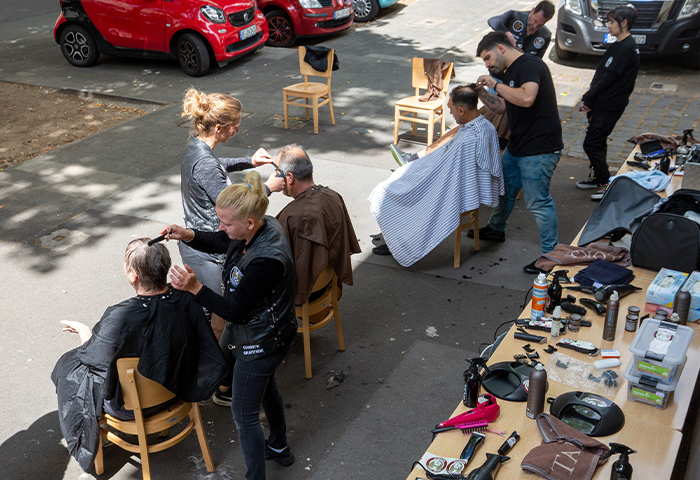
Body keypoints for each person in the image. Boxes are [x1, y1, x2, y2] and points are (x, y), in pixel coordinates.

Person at [51, 239, 229, 472]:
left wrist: (85, 332)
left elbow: (92, 360)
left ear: (133, 275)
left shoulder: (119, 316)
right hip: (181, 388)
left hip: (133, 407)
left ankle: (93, 435)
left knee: (69, 367)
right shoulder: (186, 299)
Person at [164, 171, 297, 480]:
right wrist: (189, 235)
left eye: (226, 221)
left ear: (249, 222)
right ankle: (279, 447)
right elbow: (224, 239)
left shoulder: (266, 261)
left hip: (262, 341)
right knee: (266, 390)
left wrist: (196, 288)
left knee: (243, 415)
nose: (221, 227)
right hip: (262, 333)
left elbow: (235, 311)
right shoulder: (260, 226)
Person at [180, 88, 285, 339]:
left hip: (199, 239)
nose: (237, 131)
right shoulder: (205, 163)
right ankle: (212, 364)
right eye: (234, 127)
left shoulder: (196, 146)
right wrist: (268, 187)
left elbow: (218, 164)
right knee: (213, 310)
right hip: (208, 248)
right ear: (218, 128)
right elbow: (236, 208)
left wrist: (250, 161)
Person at [369, 85, 504, 267]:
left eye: (452, 110)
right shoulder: (485, 125)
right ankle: (397, 236)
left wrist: (423, 177)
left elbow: (448, 175)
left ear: (462, 110)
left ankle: (400, 243)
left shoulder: (468, 139)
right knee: (401, 179)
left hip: (451, 187)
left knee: (389, 191)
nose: (451, 114)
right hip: (457, 180)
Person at [473, 31, 564, 274]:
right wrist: (481, 92)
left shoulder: (529, 65)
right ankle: (496, 228)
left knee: (538, 202)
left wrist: (495, 84)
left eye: (488, 57)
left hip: (540, 148)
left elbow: (526, 98)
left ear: (501, 48)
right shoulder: (509, 72)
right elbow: (503, 106)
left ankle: (551, 257)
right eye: (484, 61)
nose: (487, 64)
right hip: (519, 144)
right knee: (504, 188)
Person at [274, 144, 361, 306]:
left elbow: (276, 263)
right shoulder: (334, 197)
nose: (275, 177)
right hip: (327, 284)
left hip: (304, 291)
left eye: (277, 173)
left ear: (290, 178)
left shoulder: (292, 216)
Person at [576, 6, 640, 200]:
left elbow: (608, 79)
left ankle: (605, 183)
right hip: (602, 103)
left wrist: (588, 97)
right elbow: (602, 74)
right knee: (599, 140)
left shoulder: (627, 48)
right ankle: (598, 178)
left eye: (612, 22)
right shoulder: (618, 44)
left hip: (611, 105)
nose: (608, 26)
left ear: (624, 23)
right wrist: (592, 101)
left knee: (592, 143)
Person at [487, 1, 555, 59]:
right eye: (535, 21)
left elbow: (537, 60)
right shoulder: (514, 16)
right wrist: (507, 33)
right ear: (532, 11)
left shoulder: (545, 36)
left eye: (540, 24)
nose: (535, 26)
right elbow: (493, 21)